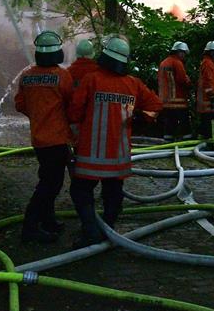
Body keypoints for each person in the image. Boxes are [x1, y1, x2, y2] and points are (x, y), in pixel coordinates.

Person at [68, 36, 163, 249]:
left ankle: (91, 230)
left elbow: (74, 111)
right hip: (117, 157)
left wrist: (74, 134)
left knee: (80, 191)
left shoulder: (91, 80)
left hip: (90, 154)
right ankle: (107, 228)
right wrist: (140, 118)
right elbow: (156, 105)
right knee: (113, 195)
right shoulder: (133, 84)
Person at [14, 30, 74, 243]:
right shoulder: (63, 76)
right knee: (51, 184)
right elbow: (72, 105)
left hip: (38, 139)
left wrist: (38, 115)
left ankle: (48, 220)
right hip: (57, 139)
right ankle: (30, 227)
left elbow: (20, 104)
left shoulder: (27, 76)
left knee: (47, 178)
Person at [157, 41, 192, 142]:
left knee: (169, 122)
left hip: (165, 100)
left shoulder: (163, 63)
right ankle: (187, 141)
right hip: (178, 100)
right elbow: (182, 79)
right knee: (184, 121)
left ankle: (168, 140)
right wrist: (189, 82)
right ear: (179, 52)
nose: (184, 56)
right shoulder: (177, 63)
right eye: (184, 53)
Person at [197, 40, 214, 150]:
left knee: (210, 127)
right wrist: (212, 97)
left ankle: (210, 148)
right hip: (210, 104)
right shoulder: (208, 64)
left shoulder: (209, 63)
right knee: (213, 128)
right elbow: (208, 83)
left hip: (210, 103)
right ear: (212, 52)